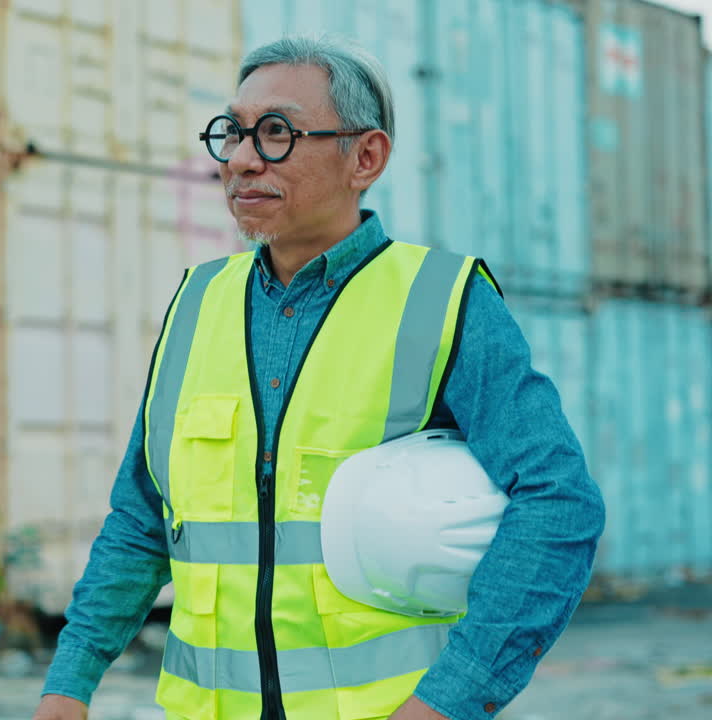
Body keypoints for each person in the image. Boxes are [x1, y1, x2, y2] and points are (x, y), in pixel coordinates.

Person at [31, 33, 605, 720]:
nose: (242, 160)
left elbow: (558, 502)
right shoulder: (196, 303)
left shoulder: (444, 301)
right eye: (233, 134)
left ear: (365, 157)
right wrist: (68, 684)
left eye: (275, 133)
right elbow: (142, 517)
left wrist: (451, 699)